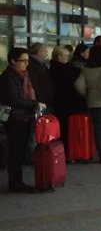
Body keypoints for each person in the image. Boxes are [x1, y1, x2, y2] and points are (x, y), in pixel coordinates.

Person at [0, 47, 48, 192]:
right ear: (13, 61)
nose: (26, 64)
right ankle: (16, 184)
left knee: (19, 151)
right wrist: (34, 104)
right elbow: (15, 100)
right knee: (16, 152)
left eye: (27, 61)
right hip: (15, 118)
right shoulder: (8, 77)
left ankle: (17, 182)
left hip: (23, 117)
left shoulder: (22, 76)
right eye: (23, 61)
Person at [48, 45, 86, 159]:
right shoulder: (70, 70)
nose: (67, 58)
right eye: (65, 56)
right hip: (71, 103)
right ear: (59, 56)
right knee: (71, 129)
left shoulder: (51, 70)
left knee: (63, 128)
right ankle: (72, 152)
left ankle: (65, 152)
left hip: (60, 103)